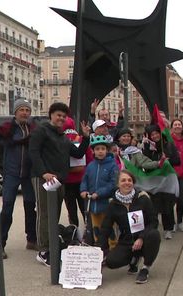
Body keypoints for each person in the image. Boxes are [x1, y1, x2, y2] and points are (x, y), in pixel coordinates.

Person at [29, 102, 90, 266]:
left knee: (54, 214)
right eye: (58, 115)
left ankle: (51, 245)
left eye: (64, 116)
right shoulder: (41, 130)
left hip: (59, 181)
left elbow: (78, 153)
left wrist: (85, 137)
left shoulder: (63, 137)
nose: (61, 118)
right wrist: (43, 173)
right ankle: (43, 250)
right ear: (51, 115)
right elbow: (33, 153)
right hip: (44, 179)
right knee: (44, 212)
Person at [0, 97, 37, 259]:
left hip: (27, 175)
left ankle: (31, 239)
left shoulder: (33, 129)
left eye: (27, 110)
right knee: (7, 210)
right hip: (11, 174)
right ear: (15, 112)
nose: (25, 113)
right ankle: (0, 245)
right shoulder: (8, 128)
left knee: (31, 208)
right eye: (22, 110)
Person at [98, 170, 161, 284]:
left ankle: (145, 268)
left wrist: (141, 237)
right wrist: (99, 251)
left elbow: (154, 222)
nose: (127, 183)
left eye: (129, 180)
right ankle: (134, 259)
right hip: (127, 240)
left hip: (144, 237)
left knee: (154, 235)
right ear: (118, 184)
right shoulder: (113, 204)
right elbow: (105, 228)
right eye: (123, 180)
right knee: (112, 262)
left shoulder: (143, 198)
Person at [141, 124, 181, 239]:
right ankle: (153, 228)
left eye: (156, 133)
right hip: (154, 181)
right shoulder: (147, 147)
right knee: (154, 206)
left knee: (167, 205)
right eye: (152, 135)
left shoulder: (168, 145)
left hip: (167, 180)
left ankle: (168, 228)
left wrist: (168, 161)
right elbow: (145, 164)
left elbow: (177, 161)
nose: (155, 136)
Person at [79, 135, 118, 245]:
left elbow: (113, 183)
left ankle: (112, 248)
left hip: (106, 204)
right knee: (96, 228)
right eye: (97, 149)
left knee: (108, 228)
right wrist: (83, 190)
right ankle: (99, 248)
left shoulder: (112, 165)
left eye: (103, 149)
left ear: (107, 150)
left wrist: (99, 193)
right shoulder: (91, 166)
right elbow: (85, 180)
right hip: (93, 204)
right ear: (93, 151)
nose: (100, 152)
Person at [63, 117, 93, 229]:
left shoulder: (60, 139)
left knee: (71, 210)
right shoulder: (80, 139)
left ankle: (74, 233)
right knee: (85, 209)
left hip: (67, 181)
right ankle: (89, 232)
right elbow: (90, 159)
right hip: (82, 181)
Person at [170, 118, 183, 233]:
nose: (177, 126)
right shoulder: (168, 140)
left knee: (181, 200)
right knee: (171, 200)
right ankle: (171, 223)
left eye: (179, 124)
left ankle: (180, 222)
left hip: (182, 174)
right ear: (172, 127)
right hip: (170, 174)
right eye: (175, 124)